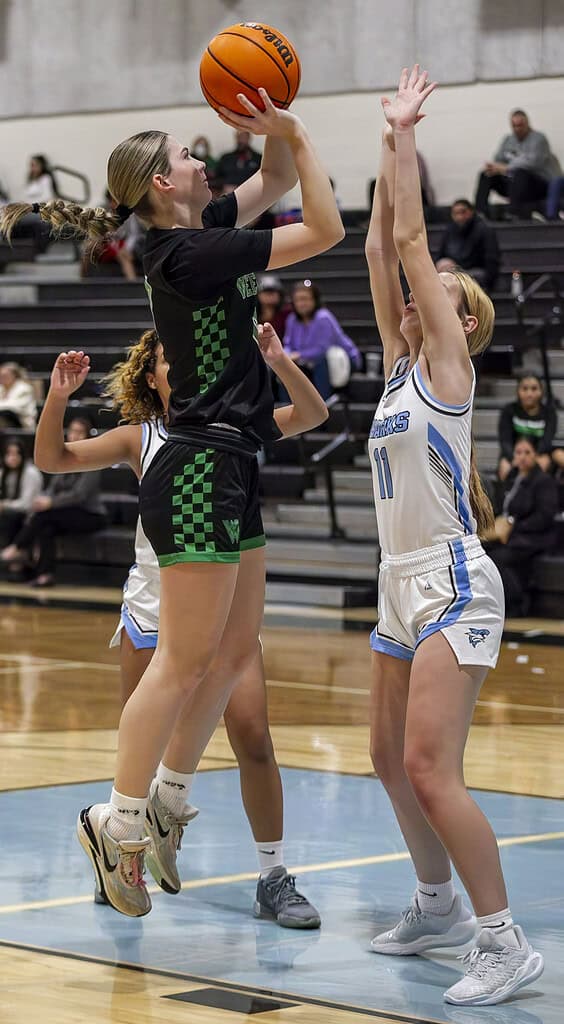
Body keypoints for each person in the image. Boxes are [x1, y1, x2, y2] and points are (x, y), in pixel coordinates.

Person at [5, 87, 344, 917]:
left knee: (231, 655)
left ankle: (164, 800)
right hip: (194, 467)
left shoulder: (200, 228)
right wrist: (297, 129)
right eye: (188, 157)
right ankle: (115, 820)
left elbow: (268, 179)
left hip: (235, 462)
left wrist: (271, 129)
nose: (203, 159)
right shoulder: (188, 255)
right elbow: (329, 229)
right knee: (184, 662)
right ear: (163, 183)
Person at [35, 327, 326, 925]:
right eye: (173, 360)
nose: (189, 367)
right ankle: (124, 850)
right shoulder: (141, 435)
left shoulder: (234, 422)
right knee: (140, 745)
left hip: (223, 600)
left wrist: (277, 360)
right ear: (151, 376)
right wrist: (58, 396)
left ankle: (272, 874)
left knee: (254, 737)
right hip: (153, 607)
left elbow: (312, 414)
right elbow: (51, 460)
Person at [365, 66, 543, 1006]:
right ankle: (435, 901)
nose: (415, 287)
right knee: (386, 760)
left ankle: (503, 940)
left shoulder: (446, 365)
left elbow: (406, 237)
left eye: (436, 287)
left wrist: (406, 137)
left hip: (452, 579)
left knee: (432, 767)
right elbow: (378, 243)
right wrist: (352, 152)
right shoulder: (399, 368)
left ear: (457, 318)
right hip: (399, 578)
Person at [1, 417, 107, 586]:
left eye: (80, 432)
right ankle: (45, 575)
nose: (75, 436)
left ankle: (18, 547)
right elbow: (53, 488)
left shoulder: (93, 460)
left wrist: (51, 503)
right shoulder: (66, 458)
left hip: (91, 514)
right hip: (64, 513)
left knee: (45, 516)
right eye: (72, 431)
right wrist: (44, 500)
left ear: (88, 435)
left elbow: (79, 495)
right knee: (46, 528)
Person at [487, 437, 558, 616]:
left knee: (497, 558)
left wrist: (513, 526)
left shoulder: (543, 481)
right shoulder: (512, 478)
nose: (523, 457)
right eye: (519, 452)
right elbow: (502, 506)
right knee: (482, 550)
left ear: (535, 455)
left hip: (533, 537)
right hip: (511, 534)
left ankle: (516, 604)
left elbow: (544, 516)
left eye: (527, 452)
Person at [283, 280, 362, 399]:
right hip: (306, 361)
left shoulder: (323, 317)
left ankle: (324, 403)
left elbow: (321, 350)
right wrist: (286, 356)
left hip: (341, 360)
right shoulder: (292, 319)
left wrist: (297, 355)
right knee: (284, 366)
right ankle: (289, 405)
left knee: (321, 361)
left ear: (314, 300)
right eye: (298, 300)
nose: (301, 303)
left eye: (305, 299)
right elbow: (288, 344)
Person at [475, 109, 559, 219]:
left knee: (520, 173)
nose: (517, 129)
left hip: (539, 185)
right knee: (486, 174)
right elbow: (498, 160)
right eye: (514, 126)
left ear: (527, 124)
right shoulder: (508, 140)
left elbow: (533, 164)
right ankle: (481, 213)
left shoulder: (539, 139)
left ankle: (513, 212)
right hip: (516, 186)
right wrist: (494, 167)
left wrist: (507, 168)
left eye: (520, 125)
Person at [497, 374, 563, 480]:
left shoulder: (549, 413)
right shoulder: (509, 410)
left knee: (544, 462)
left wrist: (532, 457)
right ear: (518, 391)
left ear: (541, 391)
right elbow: (505, 441)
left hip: (539, 454)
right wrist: (515, 457)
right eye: (525, 389)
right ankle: (506, 495)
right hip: (515, 454)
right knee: (505, 466)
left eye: (534, 389)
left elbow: (547, 440)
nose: (529, 393)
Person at [435, 199, 500, 291]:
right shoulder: (450, 231)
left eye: (463, 212)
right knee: (442, 264)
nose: (460, 217)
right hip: (455, 271)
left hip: (476, 272)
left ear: (471, 212)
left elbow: (491, 261)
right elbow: (440, 255)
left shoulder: (484, 230)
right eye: (456, 213)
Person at [0, 439, 43, 548]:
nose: (12, 457)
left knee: (9, 518)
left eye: (16, 453)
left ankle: (10, 554)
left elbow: (26, 505)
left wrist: (4, 505)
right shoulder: (3, 473)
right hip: (9, 512)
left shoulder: (31, 473)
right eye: (9, 453)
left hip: (29, 515)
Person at [0, 363, 37, 430]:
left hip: (22, 426)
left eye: (5, 376)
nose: (2, 378)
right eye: (1, 376)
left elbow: (13, 407)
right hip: (4, 425)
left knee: (7, 413)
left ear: (14, 376)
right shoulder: (1, 389)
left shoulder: (24, 389)